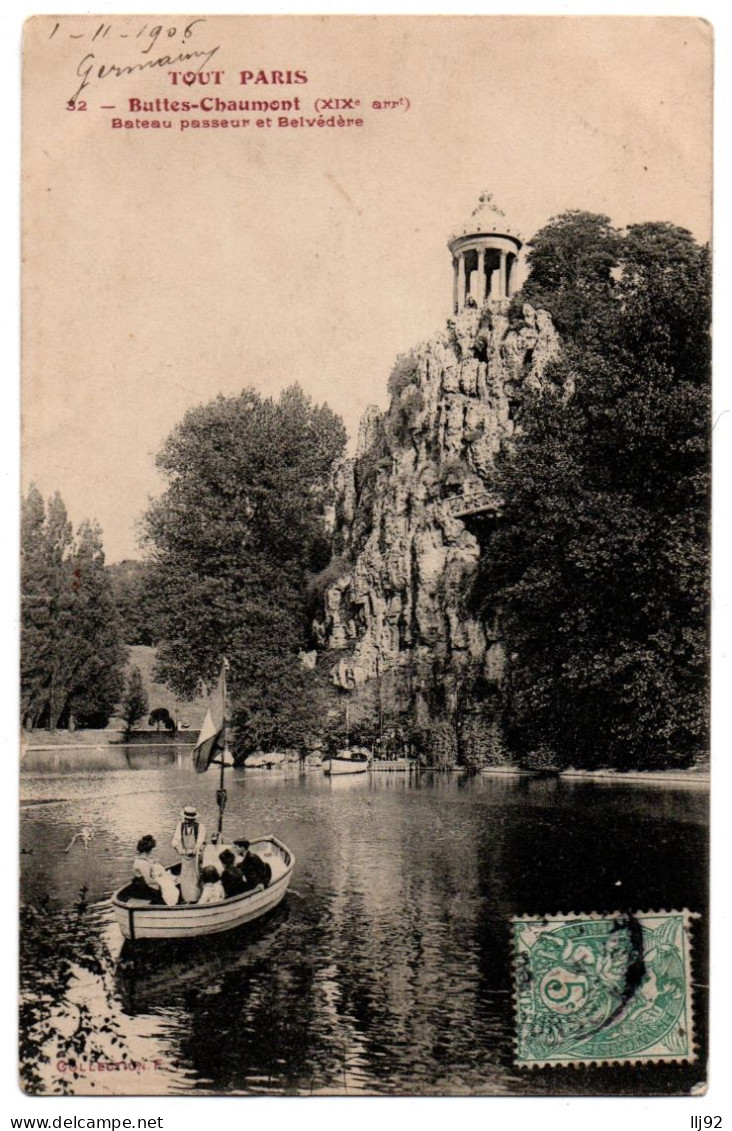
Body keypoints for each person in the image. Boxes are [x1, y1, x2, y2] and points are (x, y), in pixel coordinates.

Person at [129, 835, 179, 905]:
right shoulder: (143, 863)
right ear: (149, 850)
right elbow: (149, 881)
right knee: (168, 889)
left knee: (168, 884)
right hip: (142, 888)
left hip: (141, 885)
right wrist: (163, 882)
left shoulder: (141, 859)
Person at [172, 805, 206, 902]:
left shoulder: (200, 827)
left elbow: (200, 842)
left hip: (196, 857)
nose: (188, 821)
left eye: (190, 819)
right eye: (186, 819)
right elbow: (175, 839)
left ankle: (196, 899)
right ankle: (186, 899)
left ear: (194, 819)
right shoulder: (181, 825)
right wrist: (179, 848)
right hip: (185, 857)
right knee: (185, 878)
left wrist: (195, 850)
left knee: (196, 878)